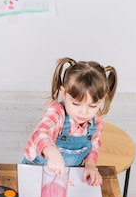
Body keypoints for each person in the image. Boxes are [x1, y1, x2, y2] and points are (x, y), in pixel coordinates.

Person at [22, 57, 117, 186]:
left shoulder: (97, 119)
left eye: (93, 106)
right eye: (76, 104)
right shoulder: (57, 112)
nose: (84, 112)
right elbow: (40, 134)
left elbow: (93, 144)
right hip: (36, 171)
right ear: (64, 93)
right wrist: (52, 153)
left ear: (102, 100)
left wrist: (90, 165)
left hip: (68, 176)